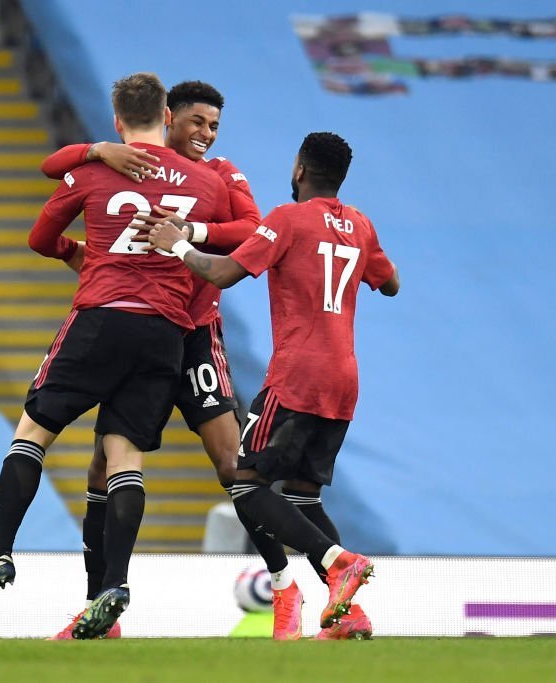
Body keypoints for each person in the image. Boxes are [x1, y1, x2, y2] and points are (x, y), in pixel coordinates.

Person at [0, 73, 232, 642]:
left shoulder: (94, 170)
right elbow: (243, 232)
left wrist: (79, 248)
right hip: (164, 332)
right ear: (167, 116)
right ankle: (114, 585)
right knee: (124, 458)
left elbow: (40, 238)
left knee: (33, 434)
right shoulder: (206, 181)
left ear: (116, 120)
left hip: (100, 318)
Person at [39, 80, 301, 639]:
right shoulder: (129, 165)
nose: (206, 134)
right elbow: (56, 169)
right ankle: (98, 607)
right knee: (101, 468)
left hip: (196, 336)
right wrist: (96, 150)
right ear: (168, 118)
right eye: (197, 122)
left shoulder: (220, 174)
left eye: (214, 126)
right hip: (144, 330)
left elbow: (253, 229)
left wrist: (192, 231)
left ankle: (284, 589)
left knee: (230, 465)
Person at [145, 131, 400, 639]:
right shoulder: (360, 225)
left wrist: (179, 245)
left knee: (245, 484)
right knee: (304, 497)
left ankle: (338, 561)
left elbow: (222, 274)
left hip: (297, 374)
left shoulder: (287, 218)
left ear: (300, 169)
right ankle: (348, 613)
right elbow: (390, 283)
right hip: (343, 378)